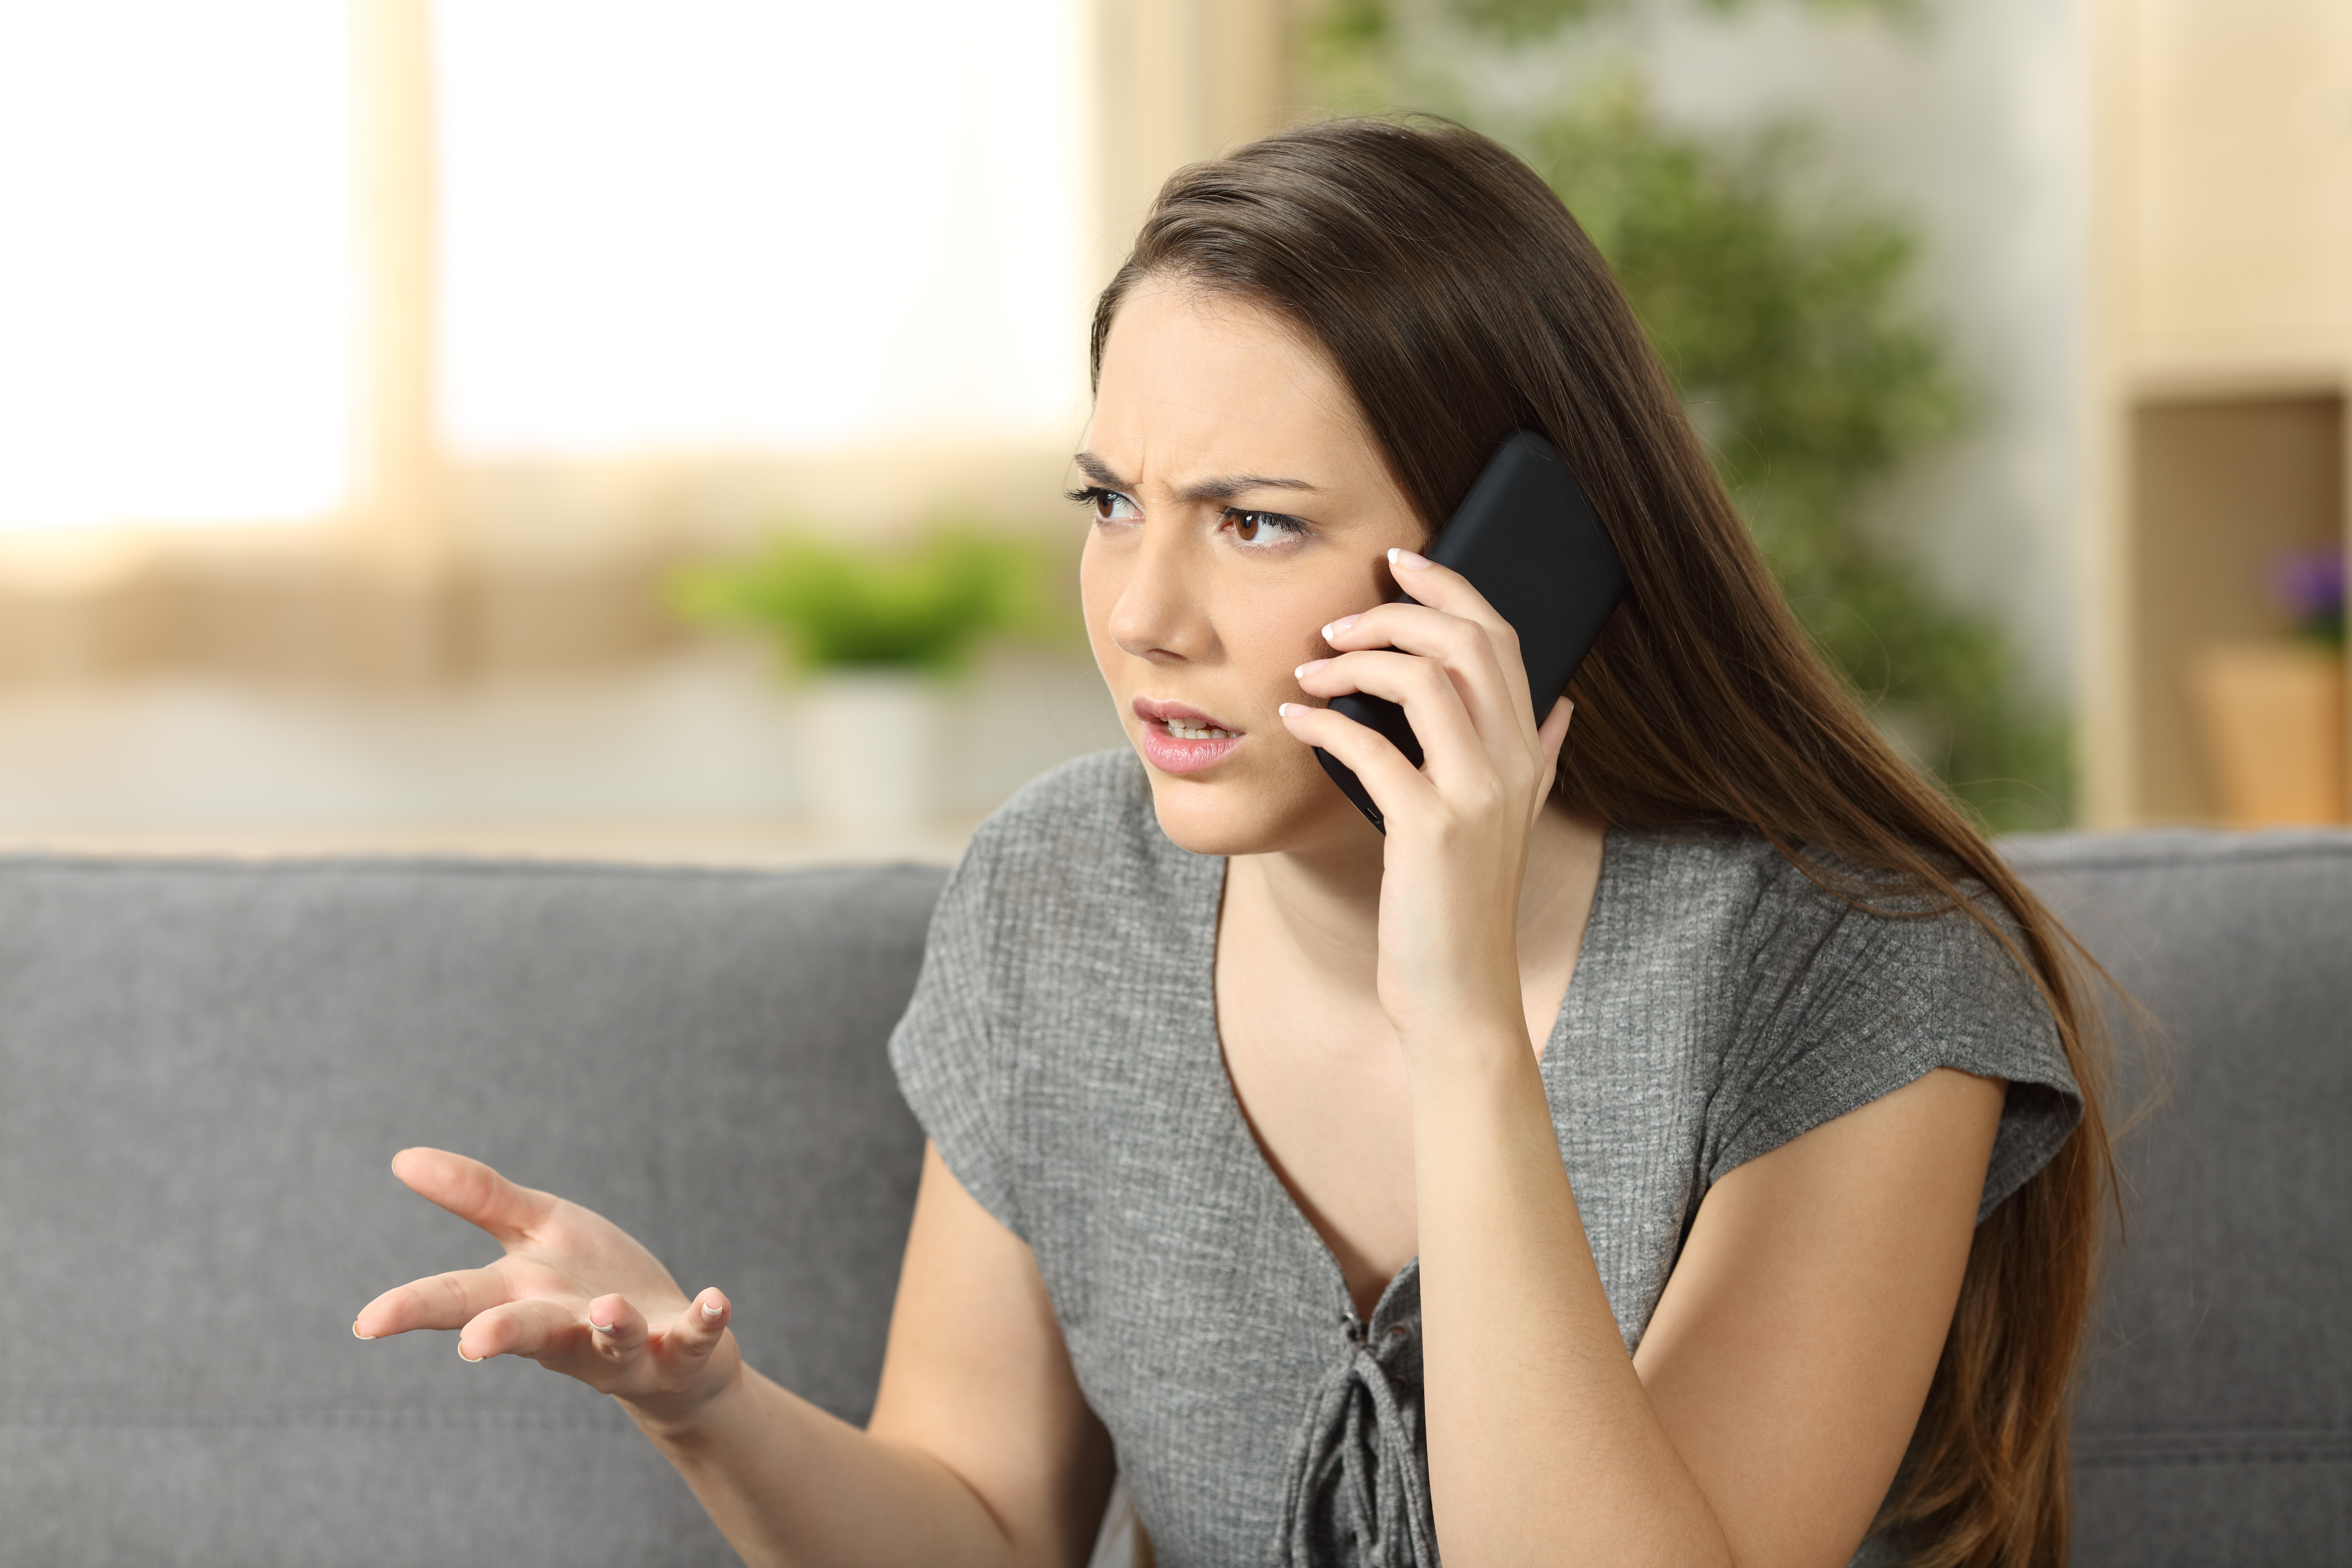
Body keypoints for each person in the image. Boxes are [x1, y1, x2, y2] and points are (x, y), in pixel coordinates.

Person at [354, 118, 2111, 1568]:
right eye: (1109, 504)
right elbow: (980, 1526)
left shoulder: (1859, 974)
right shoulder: (1062, 895)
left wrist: (1467, 1024)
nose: (1141, 617)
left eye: (1256, 526)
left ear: (1521, 564)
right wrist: (708, 1410)